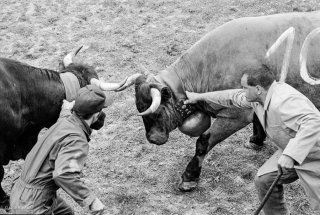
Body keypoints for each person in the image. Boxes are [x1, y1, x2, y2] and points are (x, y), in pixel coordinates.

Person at [184, 65, 320, 214]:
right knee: (264, 181)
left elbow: (314, 122)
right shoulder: (257, 98)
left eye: (244, 87)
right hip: (291, 149)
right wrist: (199, 97)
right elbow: (231, 96)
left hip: (313, 155)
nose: (242, 91)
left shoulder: (284, 100)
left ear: (258, 89)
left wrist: (290, 155)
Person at [10, 85, 112, 215]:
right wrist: (91, 201)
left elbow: (64, 118)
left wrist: (65, 109)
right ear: (96, 114)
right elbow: (64, 174)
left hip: (20, 191)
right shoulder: (77, 140)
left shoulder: (66, 122)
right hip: (32, 206)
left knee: (66, 212)